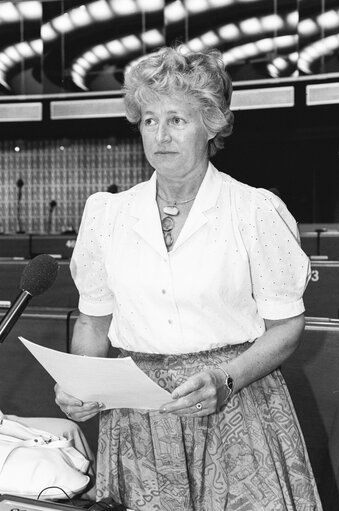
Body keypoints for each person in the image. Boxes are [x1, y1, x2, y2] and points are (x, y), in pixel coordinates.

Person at [55, 46, 322, 510]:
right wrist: (82, 384)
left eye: (177, 119)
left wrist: (226, 379)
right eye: (149, 120)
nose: (161, 135)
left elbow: (286, 327)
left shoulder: (254, 210)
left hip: (236, 409)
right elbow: (93, 322)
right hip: (139, 420)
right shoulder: (107, 214)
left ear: (211, 124)